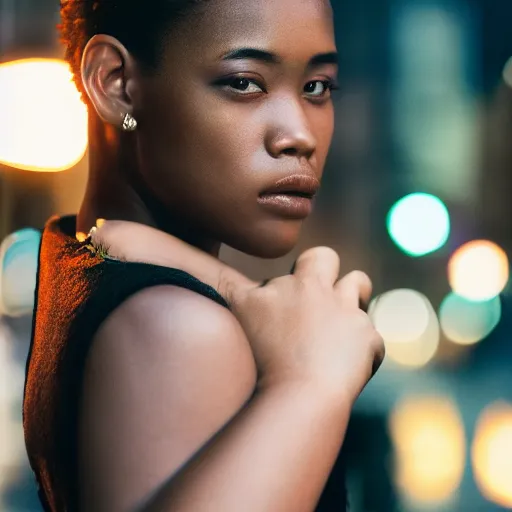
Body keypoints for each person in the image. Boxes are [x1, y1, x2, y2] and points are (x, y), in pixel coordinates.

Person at [23, 0, 385, 511]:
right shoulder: (178, 327)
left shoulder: (74, 254)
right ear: (115, 83)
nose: (299, 135)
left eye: (316, 87)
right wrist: (312, 384)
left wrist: (231, 286)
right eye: (244, 82)